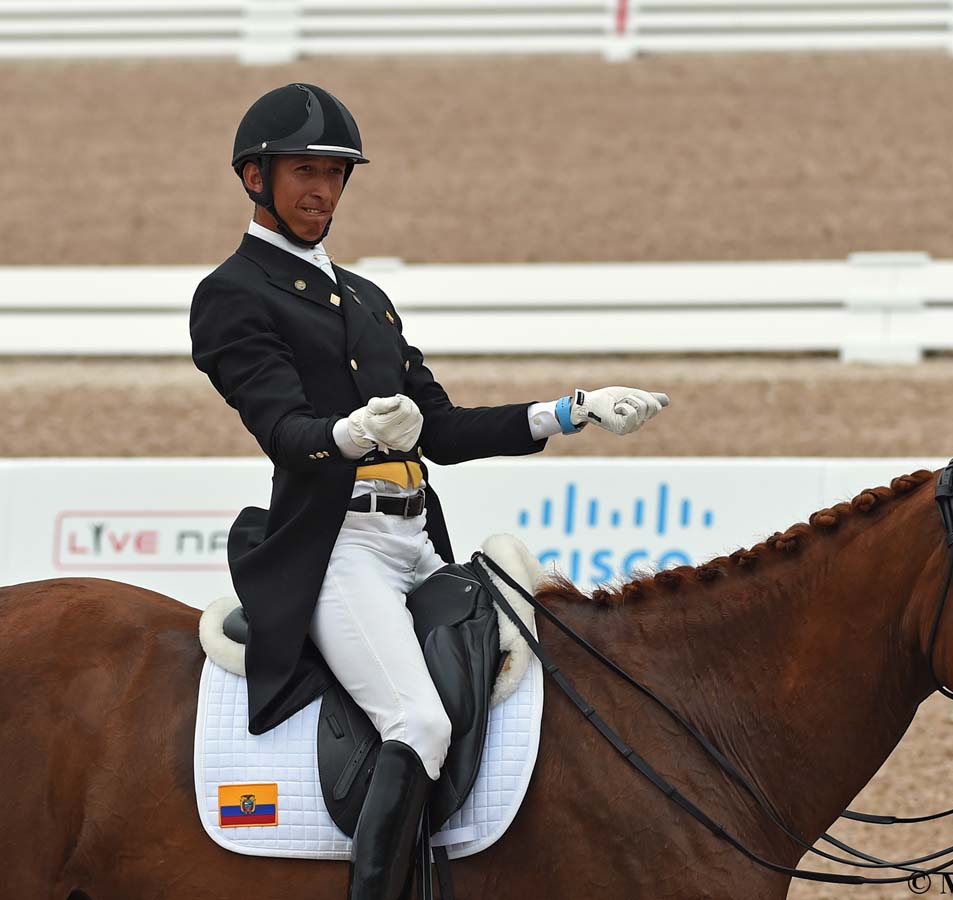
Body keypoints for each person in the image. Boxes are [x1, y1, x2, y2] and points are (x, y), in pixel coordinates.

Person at [189, 83, 669, 900]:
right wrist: (355, 433)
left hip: (415, 540)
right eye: (305, 171)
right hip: (335, 547)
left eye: (337, 175)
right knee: (418, 721)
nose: (323, 191)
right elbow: (281, 428)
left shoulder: (368, 301)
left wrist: (567, 410)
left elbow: (440, 431)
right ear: (253, 177)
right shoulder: (231, 294)